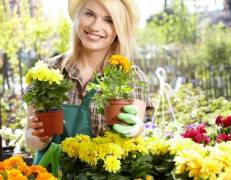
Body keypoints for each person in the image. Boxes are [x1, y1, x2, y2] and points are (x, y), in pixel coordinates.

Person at [24, 0, 152, 167]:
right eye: (89, 14)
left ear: (118, 29)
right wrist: (39, 136)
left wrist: (135, 129)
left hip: (103, 174)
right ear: (78, 16)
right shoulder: (48, 71)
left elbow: (134, 130)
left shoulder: (130, 78)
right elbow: (30, 138)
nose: (95, 26)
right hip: (51, 172)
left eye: (109, 20)